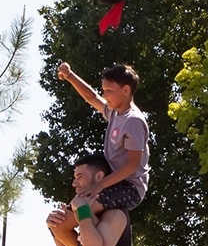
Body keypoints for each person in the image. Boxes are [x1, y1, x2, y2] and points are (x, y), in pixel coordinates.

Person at [57, 62, 149, 216]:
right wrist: (70, 76)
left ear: (125, 90)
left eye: (109, 91)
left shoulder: (133, 121)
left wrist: (100, 186)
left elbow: (133, 163)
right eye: (104, 91)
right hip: (111, 183)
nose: (104, 95)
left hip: (130, 188)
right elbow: (91, 97)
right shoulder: (114, 112)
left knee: (81, 211)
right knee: (60, 222)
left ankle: (99, 229)